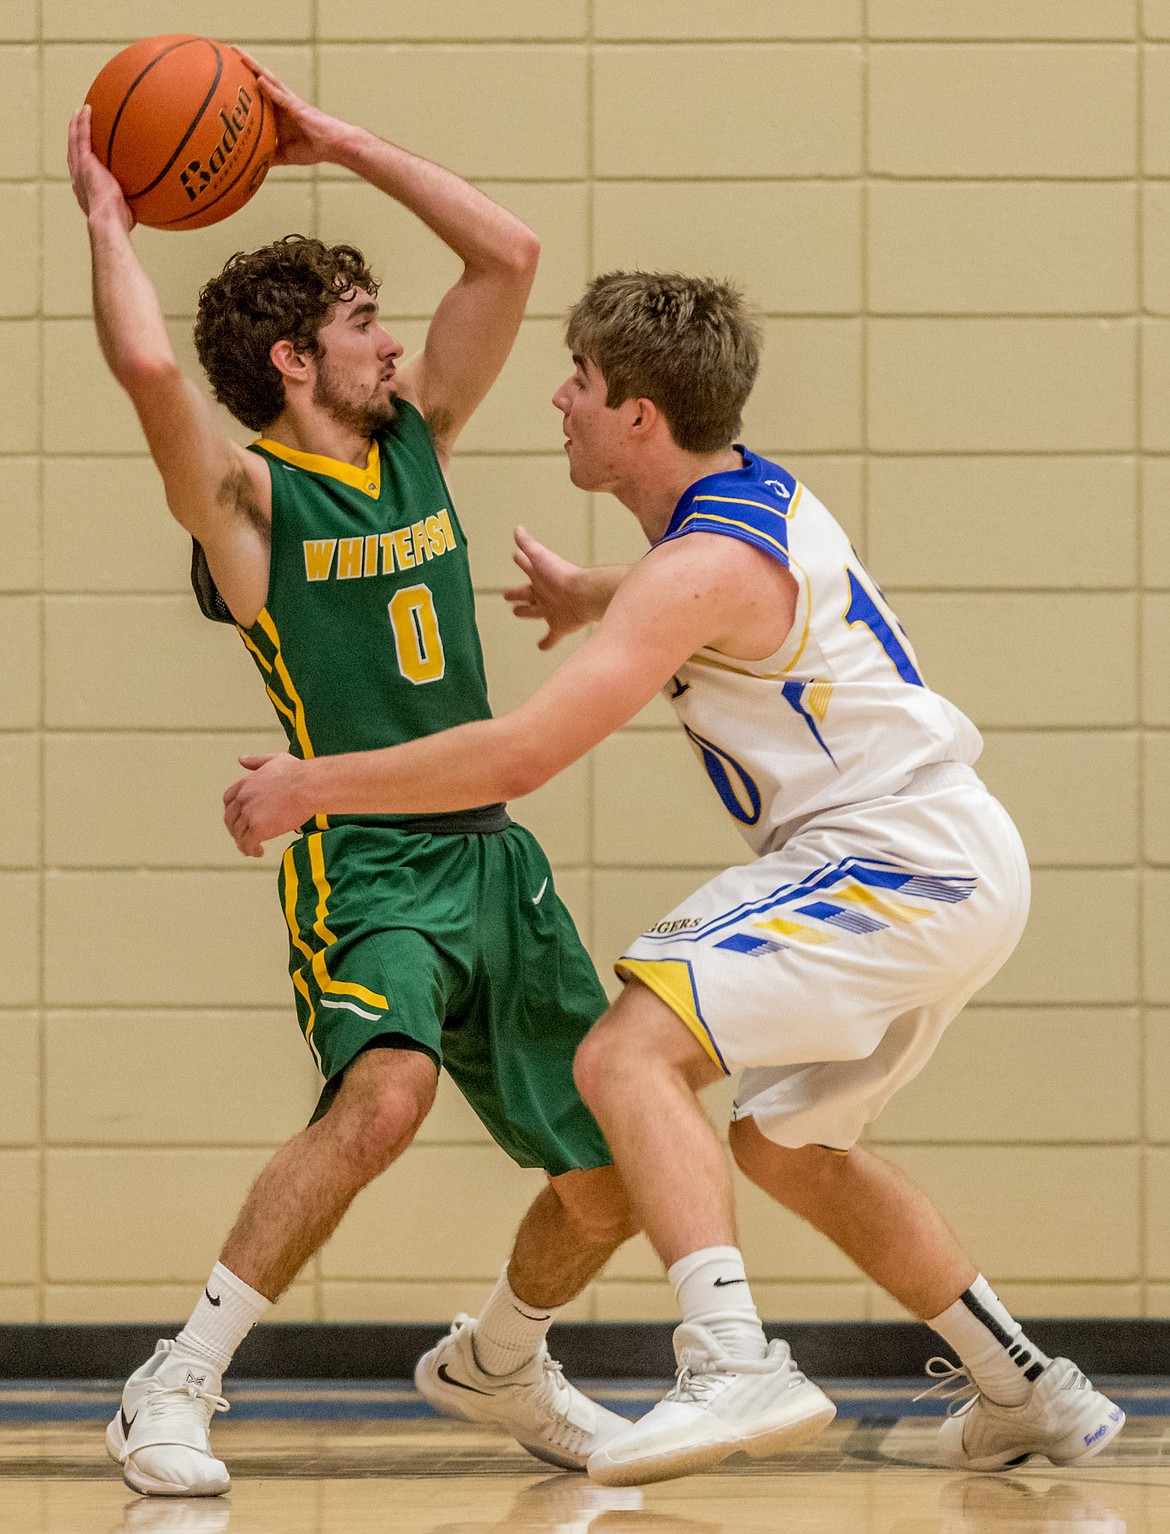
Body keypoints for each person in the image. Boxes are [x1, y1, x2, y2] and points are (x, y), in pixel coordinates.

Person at [223, 269, 1127, 1488]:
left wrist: (312, 785)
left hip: (892, 857)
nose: (560, 398)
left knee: (623, 1054)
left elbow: (526, 754)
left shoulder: (693, 568)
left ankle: (730, 1356)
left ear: (639, 416)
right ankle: (1028, 1385)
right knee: (783, 1146)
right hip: (957, 863)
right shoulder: (740, 504)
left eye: (584, 385)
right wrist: (595, 596)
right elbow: (696, 603)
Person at [67, 62, 640, 1500]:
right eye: (360, 324)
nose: (390, 345)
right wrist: (107, 226)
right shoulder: (252, 505)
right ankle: (178, 1377)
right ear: (291, 364)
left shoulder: (414, 446)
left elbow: (505, 253)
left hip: (491, 854)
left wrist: (328, 139)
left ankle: (503, 1356)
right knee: (382, 1099)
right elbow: (146, 373)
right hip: (369, 859)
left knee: (619, 1166)